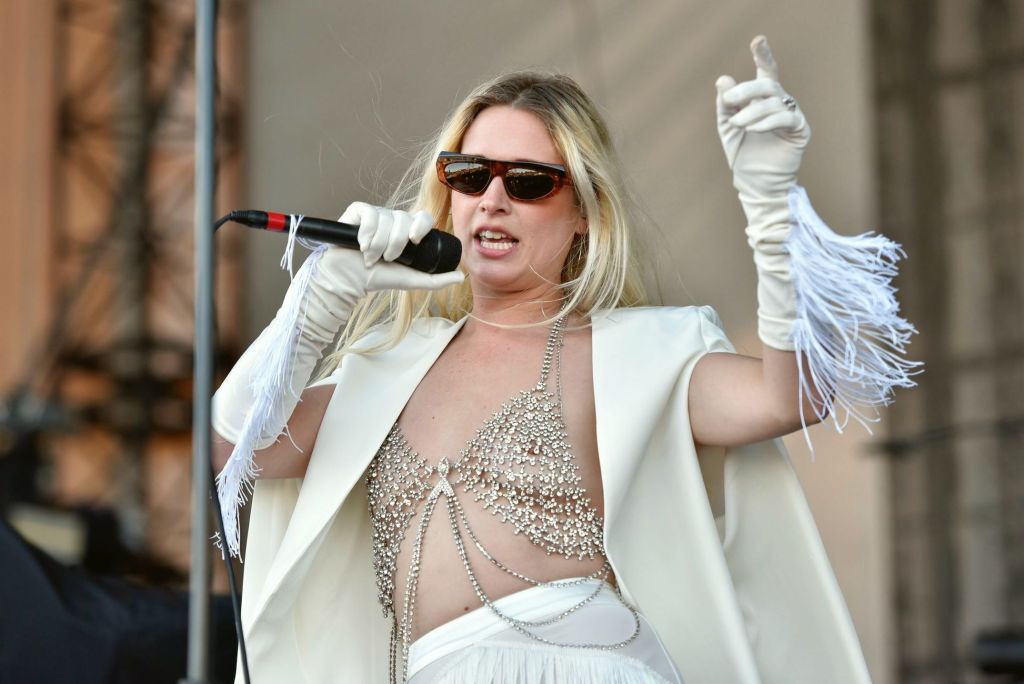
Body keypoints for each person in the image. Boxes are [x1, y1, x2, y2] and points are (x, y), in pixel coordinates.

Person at [211, 36, 917, 684]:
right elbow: (233, 449)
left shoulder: (636, 354)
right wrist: (320, 299)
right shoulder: (386, 369)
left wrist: (771, 209)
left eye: (528, 182)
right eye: (469, 175)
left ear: (583, 212)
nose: (492, 200)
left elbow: (791, 397)